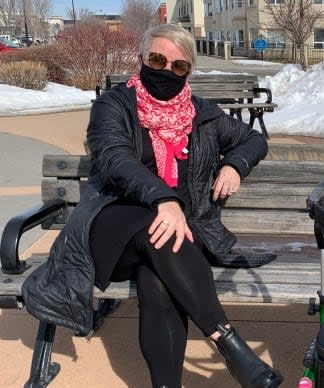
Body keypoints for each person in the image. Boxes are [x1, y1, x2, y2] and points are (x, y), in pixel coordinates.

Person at [22, 24, 283, 388]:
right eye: (158, 59)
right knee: (161, 232)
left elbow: (253, 139)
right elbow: (115, 158)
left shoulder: (202, 114)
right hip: (112, 223)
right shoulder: (113, 106)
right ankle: (227, 341)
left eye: (178, 66)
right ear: (141, 58)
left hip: (174, 234)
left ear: (188, 71)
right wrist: (164, 199)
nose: (166, 71)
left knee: (158, 280)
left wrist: (233, 165)